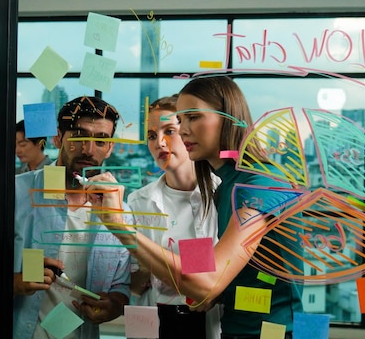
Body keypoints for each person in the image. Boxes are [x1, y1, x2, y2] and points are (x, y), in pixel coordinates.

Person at [87, 76, 302, 339]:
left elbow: (208, 283)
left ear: (228, 118)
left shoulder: (256, 186)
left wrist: (119, 227)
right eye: (181, 120)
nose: (184, 129)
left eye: (192, 117)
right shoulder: (227, 186)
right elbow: (231, 273)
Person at [0, 96, 132, 339]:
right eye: (79, 136)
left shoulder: (121, 213)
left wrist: (114, 306)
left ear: (110, 147)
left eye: (100, 140)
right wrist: (14, 283)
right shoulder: (9, 195)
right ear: (58, 138)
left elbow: (120, 288)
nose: (89, 149)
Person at [128, 95, 221, 339]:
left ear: (189, 134)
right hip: (154, 323)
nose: (159, 142)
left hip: (209, 325)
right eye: (150, 135)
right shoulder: (138, 202)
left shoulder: (221, 195)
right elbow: (134, 282)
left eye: (169, 130)